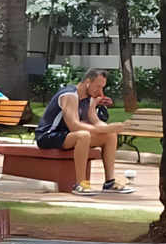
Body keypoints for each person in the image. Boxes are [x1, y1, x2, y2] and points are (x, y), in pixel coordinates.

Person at [34, 67, 135, 196]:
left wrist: (112, 128)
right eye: (98, 87)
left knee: (109, 135)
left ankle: (110, 182)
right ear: (88, 81)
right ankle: (81, 183)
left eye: (102, 88)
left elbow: (95, 121)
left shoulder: (89, 99)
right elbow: (74, 126)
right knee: (83, 135)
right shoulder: (70, 95)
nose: (100, 92)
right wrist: (102, 129)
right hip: (48, 136)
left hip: (68, 136)